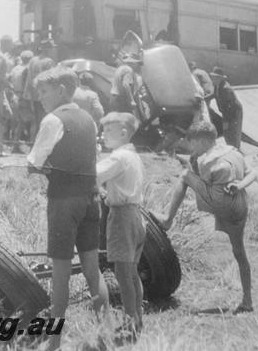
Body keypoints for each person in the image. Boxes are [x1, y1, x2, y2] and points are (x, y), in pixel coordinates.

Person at [26, 66, 109, 351]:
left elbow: (33, 163)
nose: (40, 97)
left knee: (60, 273)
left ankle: (54, 342)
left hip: (64, 201)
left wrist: (40, 167)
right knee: (92, 269)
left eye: (44, 91)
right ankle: (104, 335)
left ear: (61, 90)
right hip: (91, 199)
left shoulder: (52, 120)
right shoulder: (88, 118)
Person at [157, 121, 255, 314]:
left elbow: (203, 180)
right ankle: (247, 301)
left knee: (185, 176)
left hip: (221, 202)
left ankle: (168, 219)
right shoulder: (234, 151)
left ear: (201, 142)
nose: (191, 147)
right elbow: (253, 173)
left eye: (192, 143)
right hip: (239, 205)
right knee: (239, 252)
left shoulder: (208, 160)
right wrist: (239, 185)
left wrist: (191, 163)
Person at [96, 112, 146, 344]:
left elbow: (94, 175)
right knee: (132, 272)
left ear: (123, 133)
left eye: (108, 131)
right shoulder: (133, 156)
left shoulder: (118, 156)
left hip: (121, 217)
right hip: (136, 214)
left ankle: (129, 321)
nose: (103, 134)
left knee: (122, 274)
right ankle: (138, 318)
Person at [22, 43, 55, 137]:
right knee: (45, 121)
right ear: (48, 49)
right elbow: (51, 79)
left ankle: (34, 144)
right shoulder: (49, 62)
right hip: (45, 95)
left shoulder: (33, 60)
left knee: (36, 122)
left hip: (34, 95)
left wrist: (28, 95)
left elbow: (29, 79)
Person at [209, 67, 243, 149]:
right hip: (226, 111)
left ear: (220, 78)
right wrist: (205, 98)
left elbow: (228, 108)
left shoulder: (225, 89)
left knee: (233, 131)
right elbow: (214, 94)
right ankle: (231, 147)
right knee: (227, 132)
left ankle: (235, 149)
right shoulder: (217, 85)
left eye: (215, 77)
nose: (212, 79)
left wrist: (226, 121)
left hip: (234, 112)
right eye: (212, 77)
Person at [10, 50, 34, 152]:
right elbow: (27, 85)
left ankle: (15, 145)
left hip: (14, 95)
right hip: (23, 97)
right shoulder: (27, 69)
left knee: (19, 123)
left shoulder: (15, 69)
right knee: (33, 121)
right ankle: (32, 146)